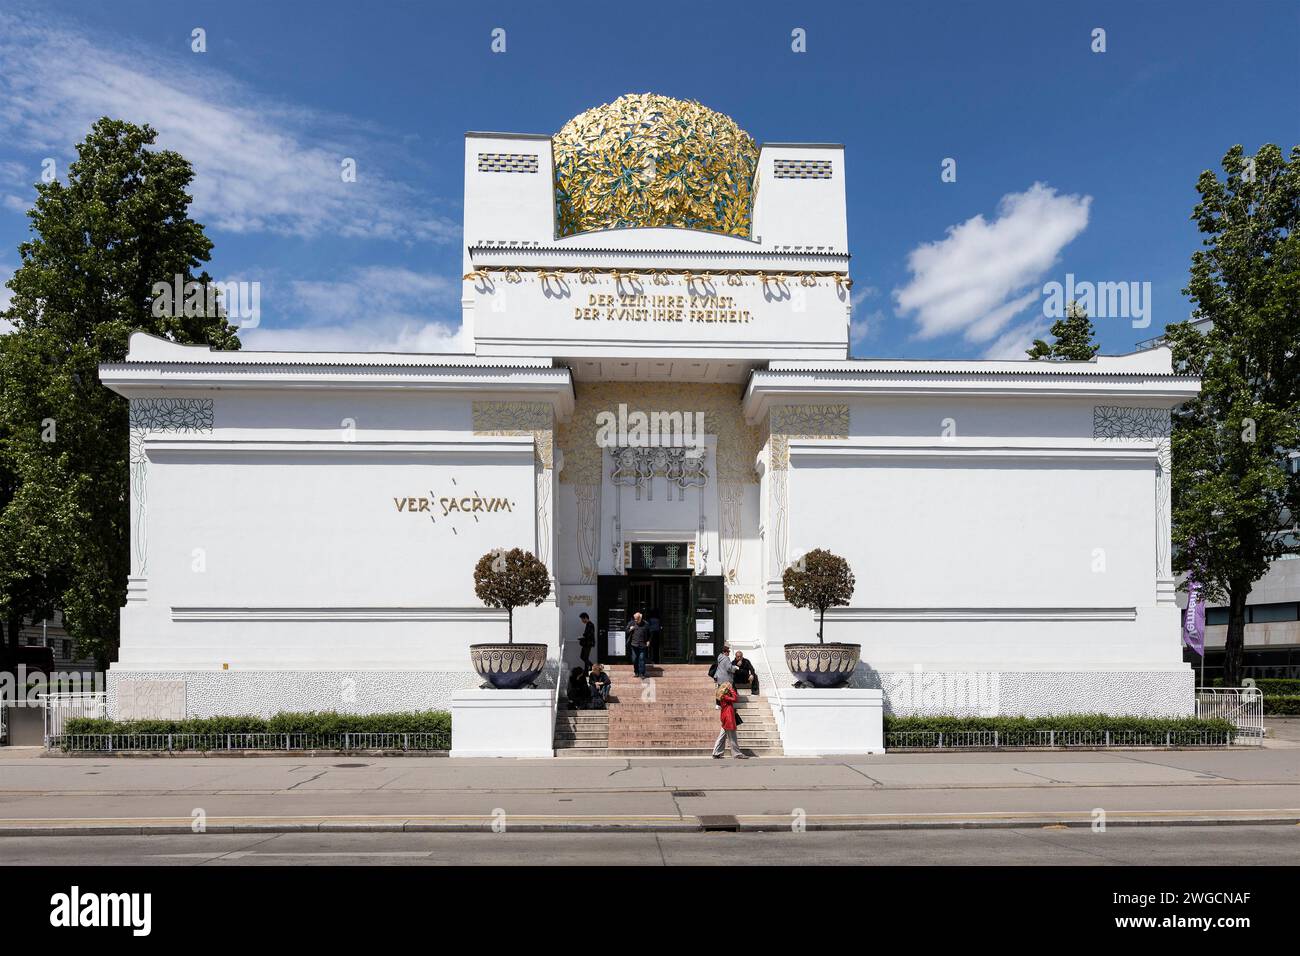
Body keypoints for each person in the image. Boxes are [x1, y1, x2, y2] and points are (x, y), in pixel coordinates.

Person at [712, 682, 747, 759]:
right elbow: (735, 699)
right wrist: (732, 690)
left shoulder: (723, 696)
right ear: (726, 688)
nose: (731, 687)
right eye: (730, 686)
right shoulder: (725, 696)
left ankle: (716, 752)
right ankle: (737, 754)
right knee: (732, 737)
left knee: (722, 736)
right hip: (729, 718)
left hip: (726, 717)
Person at [626, 611, 650, 679]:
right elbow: (626, 631)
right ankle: (636, 672)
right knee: (634, 659)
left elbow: (649, 633)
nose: (636, 620)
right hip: (634, 644)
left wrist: (648, 641)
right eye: (635, 619)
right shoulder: (632, 623)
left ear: (640, 618)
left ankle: (642, 673)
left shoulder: (646, 624)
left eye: (637, 619)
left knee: (642, 659)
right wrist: (630, 629)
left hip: (642, 644)